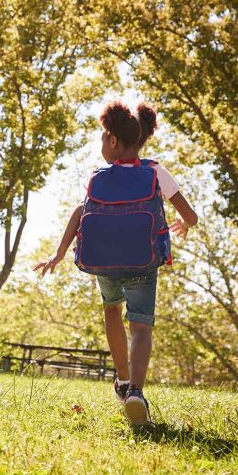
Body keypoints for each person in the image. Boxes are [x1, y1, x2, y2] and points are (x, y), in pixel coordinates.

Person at [33, 101, 198, 425]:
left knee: (112, 310)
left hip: (103, 262)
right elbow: (190, 215)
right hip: (143, 262)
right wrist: (185, 223)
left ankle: (122, 380)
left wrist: (61, 251)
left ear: (111, 140)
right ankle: (136, 390)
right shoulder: (155, 171)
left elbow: (81, 213)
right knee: (140, 325)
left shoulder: (98, 177)